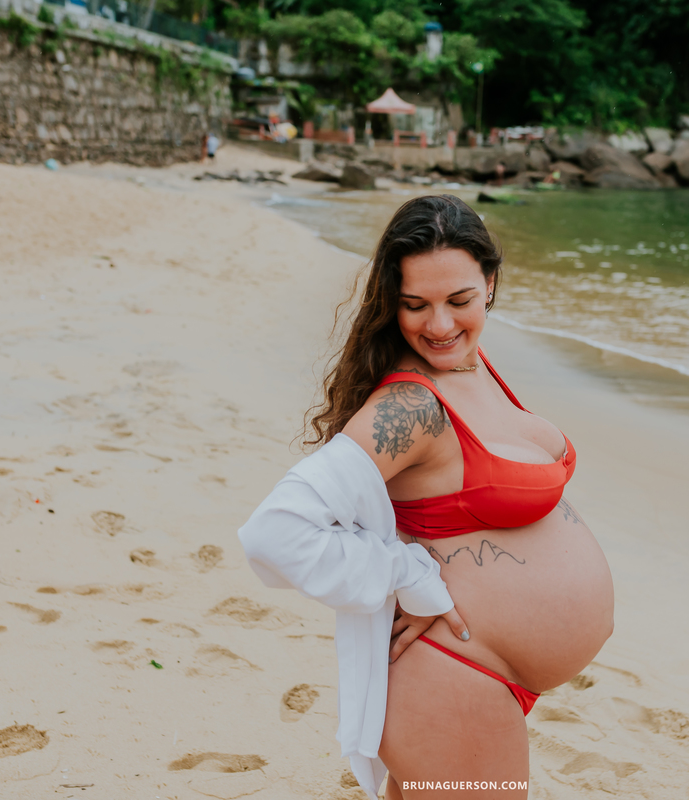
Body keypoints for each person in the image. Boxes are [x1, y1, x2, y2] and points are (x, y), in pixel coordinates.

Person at [238, 195, 614, 799]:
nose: (439, 326)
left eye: (459, 301)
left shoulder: (474, 365)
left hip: (481, 675)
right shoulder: (409, 407)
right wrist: (409, 576)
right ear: (393, 303)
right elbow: (274, 532)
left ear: (490, 283)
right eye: (415, 306)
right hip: (454, 673)